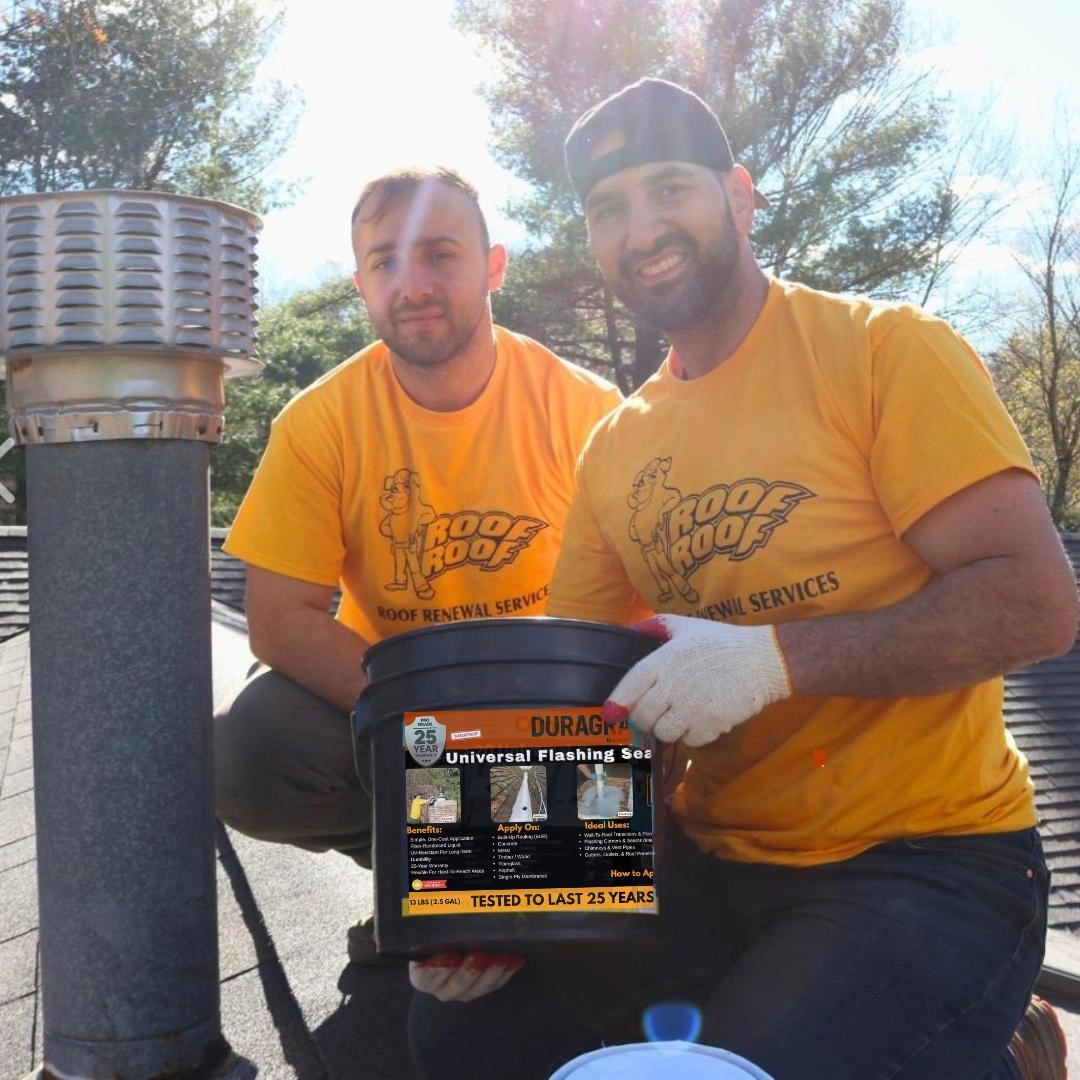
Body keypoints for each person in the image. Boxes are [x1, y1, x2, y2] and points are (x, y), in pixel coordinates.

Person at [405, 80, 1078, 1079]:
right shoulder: (616, 447)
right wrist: (492, 892)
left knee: (729, 1072)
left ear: (740, 196)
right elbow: (575, 701)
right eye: (608, 208)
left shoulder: (882, 350)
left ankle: (1000, 1043)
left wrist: (774, 662)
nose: (641, 229)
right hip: (708, 864)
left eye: (669, 189)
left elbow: (1034, 602)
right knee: (465, 1032)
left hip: (926, 858)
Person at [214, 166, 621, 964]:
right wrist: (446, 729)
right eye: (385, 262)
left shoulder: (587, 409)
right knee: (248, 752)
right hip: (398, 709)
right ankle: (422, 875)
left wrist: (532, 739)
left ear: (493, 266)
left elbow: (633, 613)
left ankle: (501, 886)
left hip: (552, 710)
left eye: (440, 254)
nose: (413, 284)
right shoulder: (319, 422)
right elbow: (281, 621)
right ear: (362, 284)